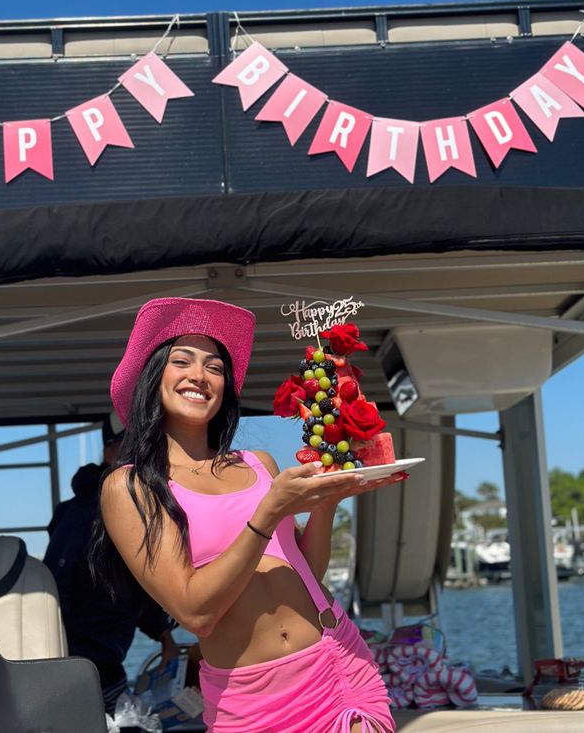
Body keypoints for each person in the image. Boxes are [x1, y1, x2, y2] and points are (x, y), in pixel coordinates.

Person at [92, 297, 402, 733]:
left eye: (215, 367)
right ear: (153, 376)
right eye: (182, 361)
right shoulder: (130, 487)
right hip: (253, 700)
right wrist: (268, 511)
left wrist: (328, 502)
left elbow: (307, 573)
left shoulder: (258, 464)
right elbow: (194, 613)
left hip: (339, 666)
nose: (200, 375)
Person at [44, 413, 178, 716]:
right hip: (81, 670)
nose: (141, 453)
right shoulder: (82, 513)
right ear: (109, 452)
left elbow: (137, 582)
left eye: (148, 445)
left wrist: (165, 637)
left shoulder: (138, 509)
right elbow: (54, 591)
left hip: (106, 666)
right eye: (130, 444)